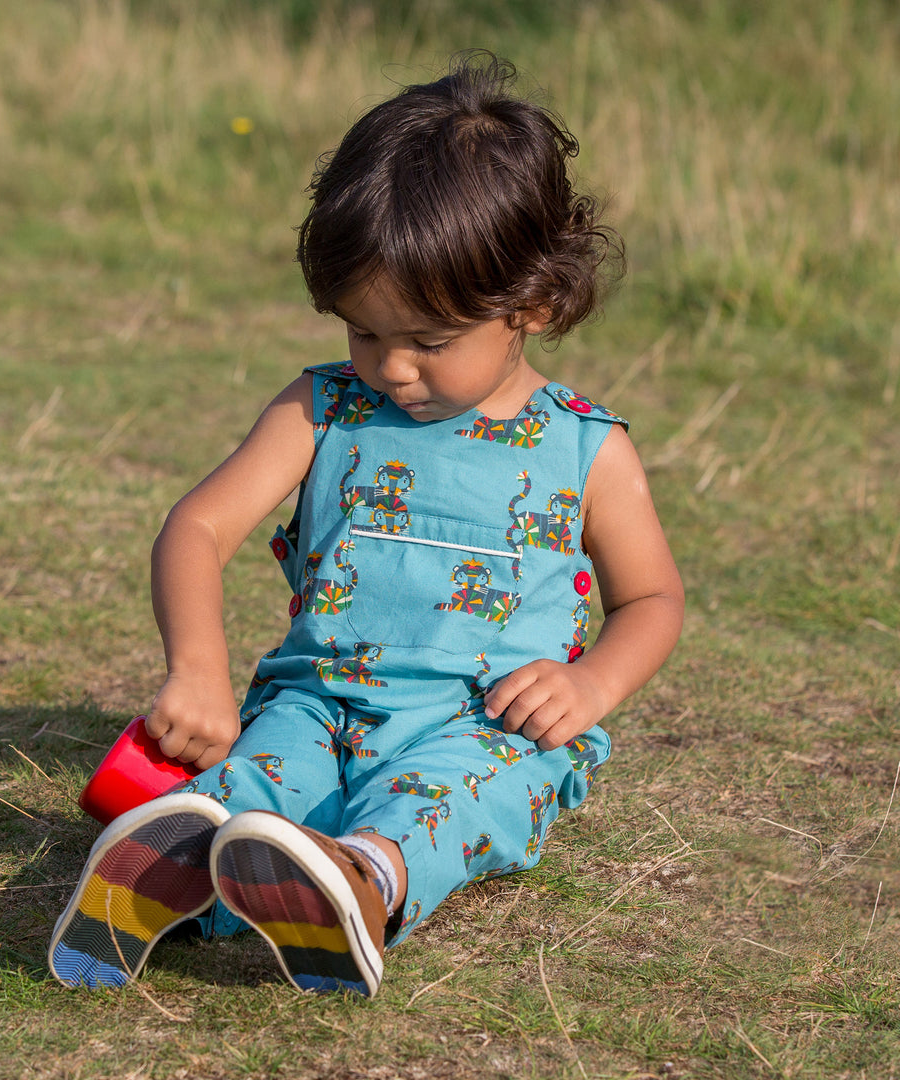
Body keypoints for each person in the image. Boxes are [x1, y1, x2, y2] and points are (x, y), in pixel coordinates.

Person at [48, 51, 684, 998]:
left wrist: (590, 688)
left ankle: (361, 882)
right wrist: (199, 672)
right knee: (257, 785)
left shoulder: (585, 449)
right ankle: (165, 884)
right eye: (363, 331)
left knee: (452, 801)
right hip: (319, 702)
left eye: (427, 340)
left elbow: (653, 597)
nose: (390, 367)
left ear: (535, 304)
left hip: (486, 723)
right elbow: (197, 529)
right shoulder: (322, 411)